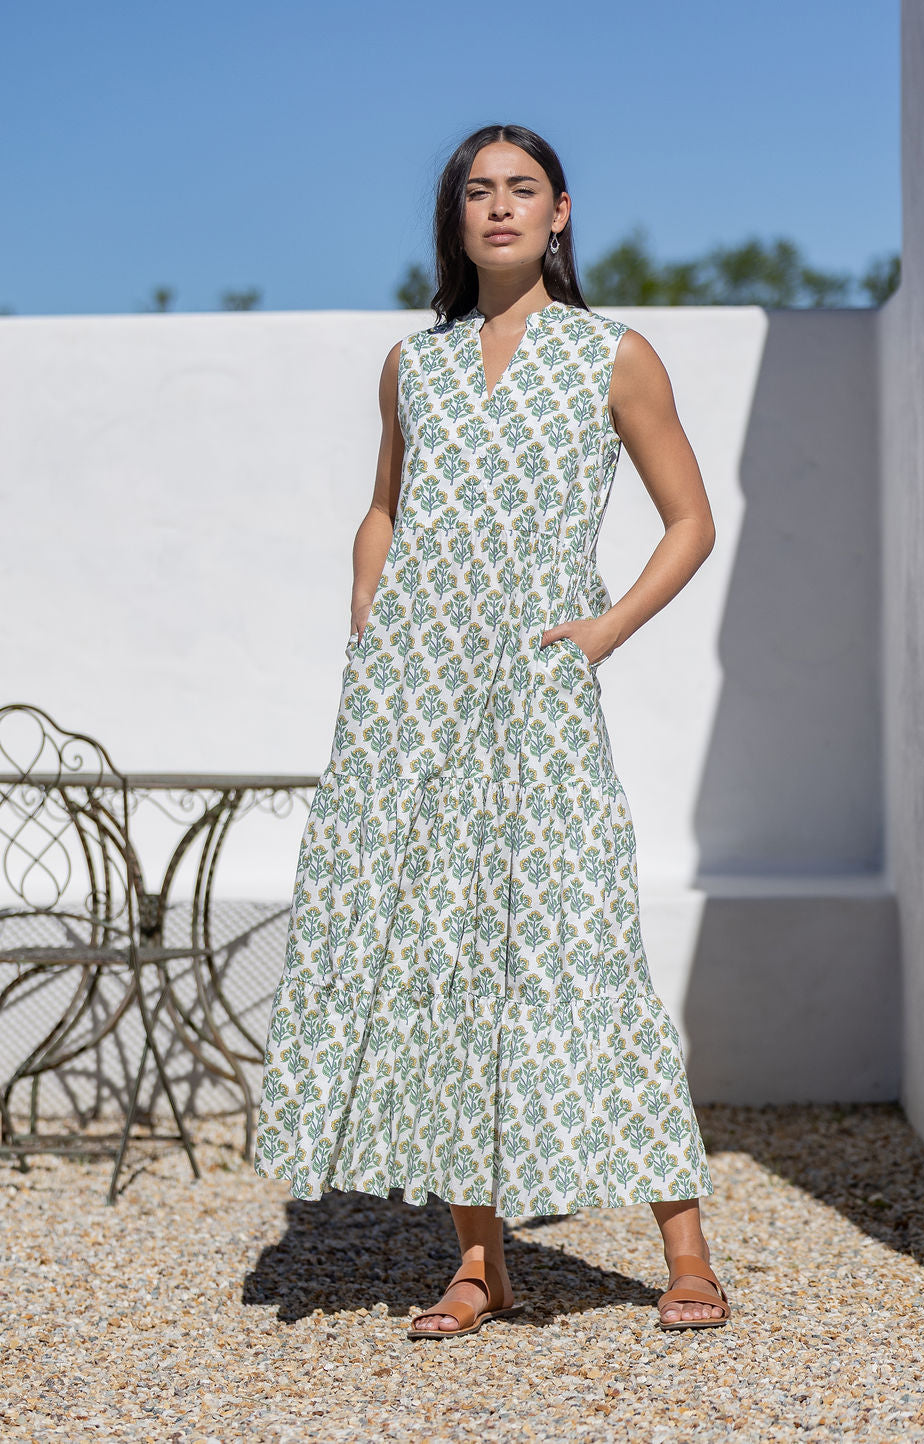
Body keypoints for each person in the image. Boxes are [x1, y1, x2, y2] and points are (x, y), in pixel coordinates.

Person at [253, 122, 729, 1336]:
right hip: (413, 695)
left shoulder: (612, 355)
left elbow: (689, 521)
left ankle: (686, 1252)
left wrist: (600, 632)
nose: (500, 206)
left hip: (536, 685)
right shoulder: (413, 365)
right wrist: (369, 608)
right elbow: (382, 507)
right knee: (444, 960)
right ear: (456, 216)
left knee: (585, 946)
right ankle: (479, 1262)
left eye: (522, 189)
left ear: (559, 212)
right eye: (478, 190)